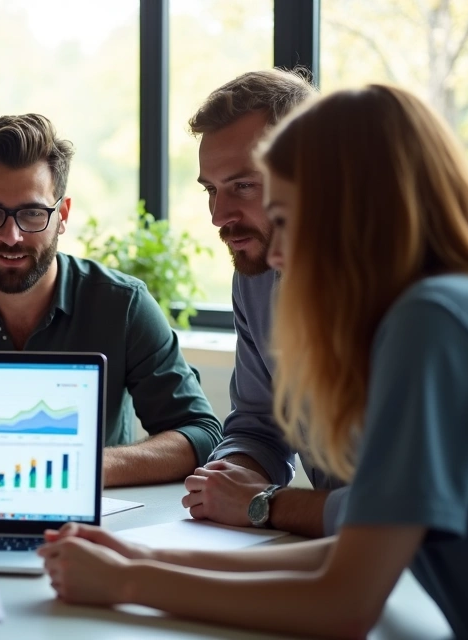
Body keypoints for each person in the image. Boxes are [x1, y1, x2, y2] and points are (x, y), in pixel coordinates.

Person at [39, 84, 468, 638]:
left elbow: (344, 603)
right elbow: (341, 554)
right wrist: (139, 562)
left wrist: (128, 585)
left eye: (286, 216)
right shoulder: (455, 302)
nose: (275, 255)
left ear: (353, 205)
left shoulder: (435, 321)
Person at [0, 114, 222, 486]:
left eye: (32, 213)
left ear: (62, 215)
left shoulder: (122, 305)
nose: (11, 236)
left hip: (91, 526)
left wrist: (77, 467)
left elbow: (201, 434)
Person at [182, 69, 348, 537]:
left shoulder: (400, 295)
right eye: (211, 190)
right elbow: (259, 424)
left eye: (242, 186)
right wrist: (230, 475)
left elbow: (394, 514)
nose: (219, 216)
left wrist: (263, 504)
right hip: (340, 556)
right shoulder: (257, 277)